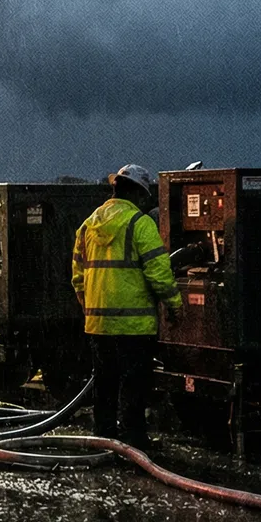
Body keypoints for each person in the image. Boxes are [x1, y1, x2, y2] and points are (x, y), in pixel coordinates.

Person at [72, 164, 183, 448]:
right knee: (134, 385)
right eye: (144, 196)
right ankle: (135, 441)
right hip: (134, 326)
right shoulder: (140, 224)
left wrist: (90, 307)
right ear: (136, 193)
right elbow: (158, 272)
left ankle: (104, 436)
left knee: (104, 383)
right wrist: (174, 305)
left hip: (98, 324)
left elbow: (77, 277)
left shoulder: (88, 225)